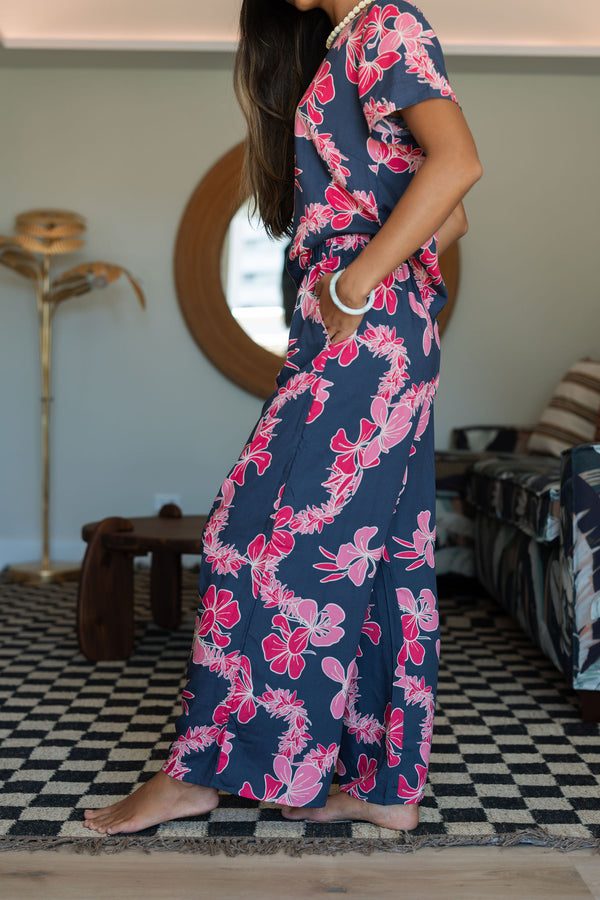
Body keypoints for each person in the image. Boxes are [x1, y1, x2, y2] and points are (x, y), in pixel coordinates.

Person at [83, 0, 482, 835]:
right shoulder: (349, 40)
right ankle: (384, 786)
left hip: (363, 335)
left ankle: (200, 772)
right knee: (380, 558)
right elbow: (447, 219)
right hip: (377, 336)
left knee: (247, 532)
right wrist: (368, 285)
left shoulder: (385, 26)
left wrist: (354, 283)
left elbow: (458, 168)